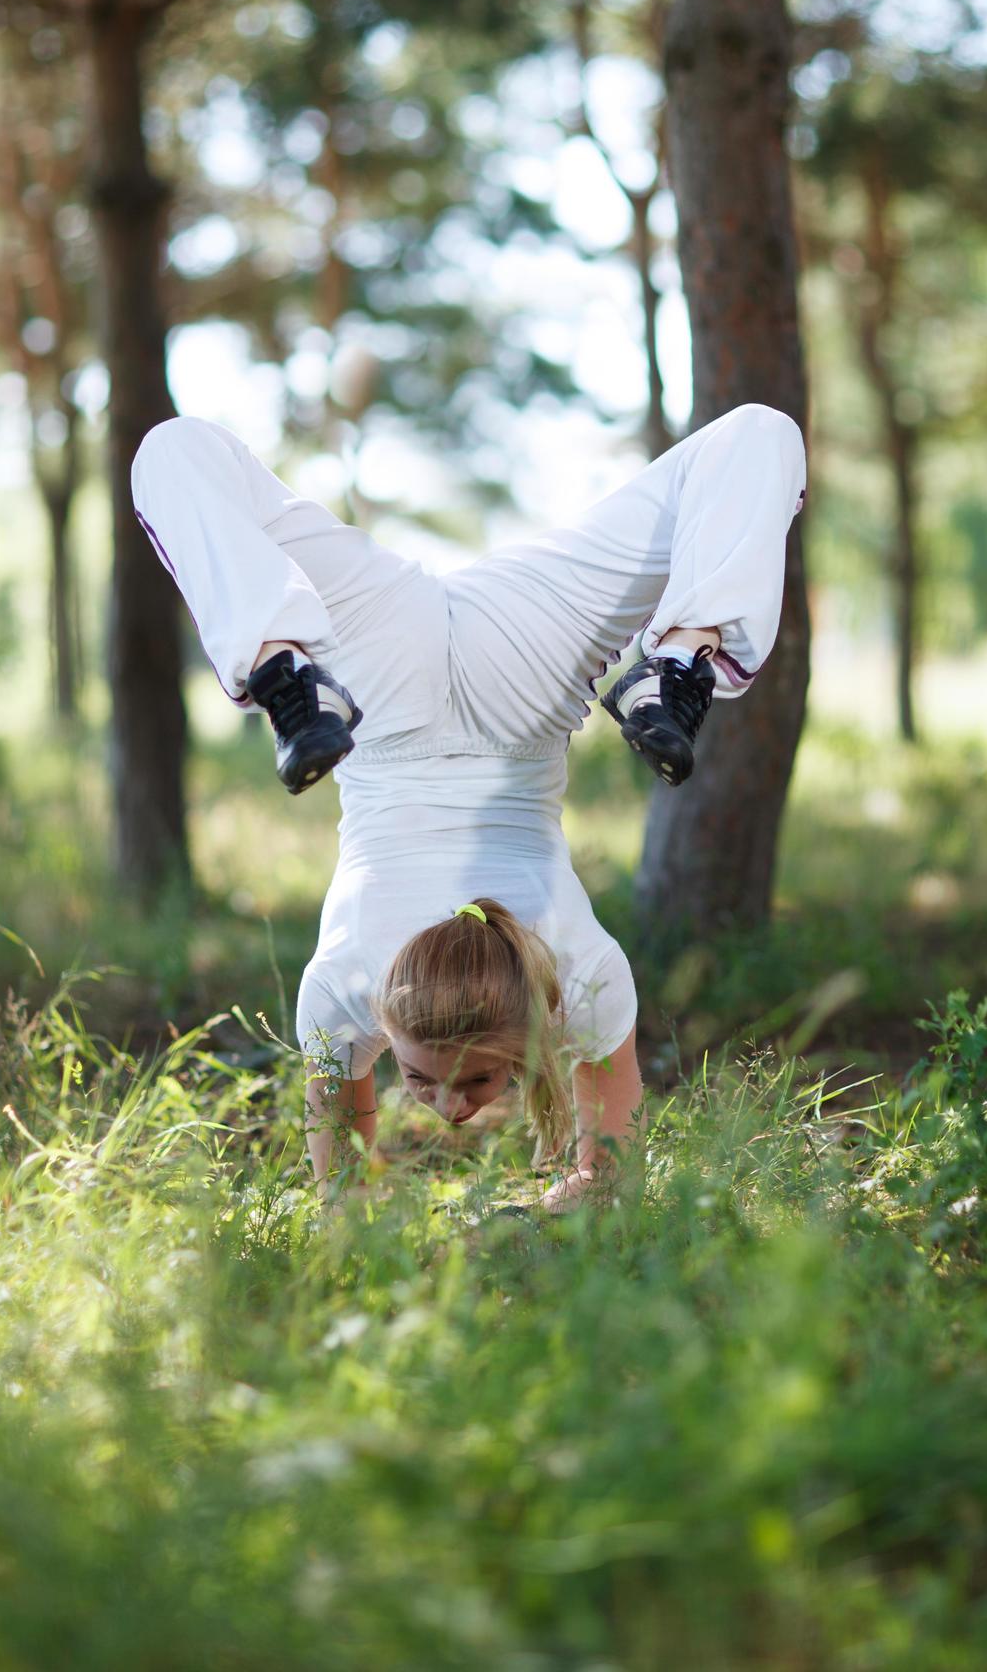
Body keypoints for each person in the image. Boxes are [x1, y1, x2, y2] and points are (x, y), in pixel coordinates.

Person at [131, 402, 807, 1213]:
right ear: (527, 1024)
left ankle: (285, 668)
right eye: (476, 1080)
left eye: (420, 1078)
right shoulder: (578, 977)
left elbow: (338, 1202)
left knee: (175, 451)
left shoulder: (340, 986)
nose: (451, 1110)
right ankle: (680, 657)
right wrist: (569, 1201)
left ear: (385, 1012)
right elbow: (609, 1182)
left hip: (368, 690)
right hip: (524, 679)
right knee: (756, 437)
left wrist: (367, 1224)